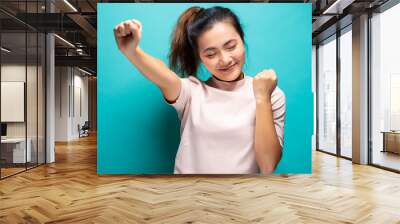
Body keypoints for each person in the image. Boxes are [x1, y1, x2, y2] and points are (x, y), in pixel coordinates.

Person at [113, 6, 286, 175]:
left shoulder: (271, 93)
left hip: (241, 197)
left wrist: (262, 98)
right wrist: (133, 52)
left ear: (242, 39)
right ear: (200, 57)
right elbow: (164, 75)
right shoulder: (191, 92)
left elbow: (268, 165)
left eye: (231, 46)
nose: (225, 60)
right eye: (211, 54)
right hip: (189, 196)